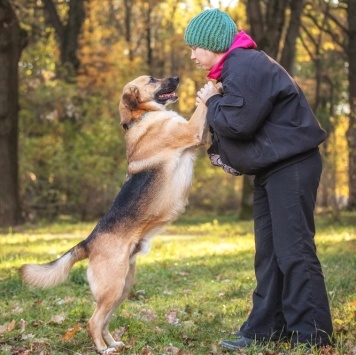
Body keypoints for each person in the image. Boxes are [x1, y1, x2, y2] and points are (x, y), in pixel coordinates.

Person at [184, 8, 333, 351]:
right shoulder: (234, 69)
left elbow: (239, 123)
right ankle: (266, 329)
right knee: (269, 253)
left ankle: (313, 336)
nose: (192, 55)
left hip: (292, 166)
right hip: (272, 169)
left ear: (213, 43)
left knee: (294, 250)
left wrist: (211, 102)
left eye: (195, 47)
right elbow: (246, 123)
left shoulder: (245, 64)